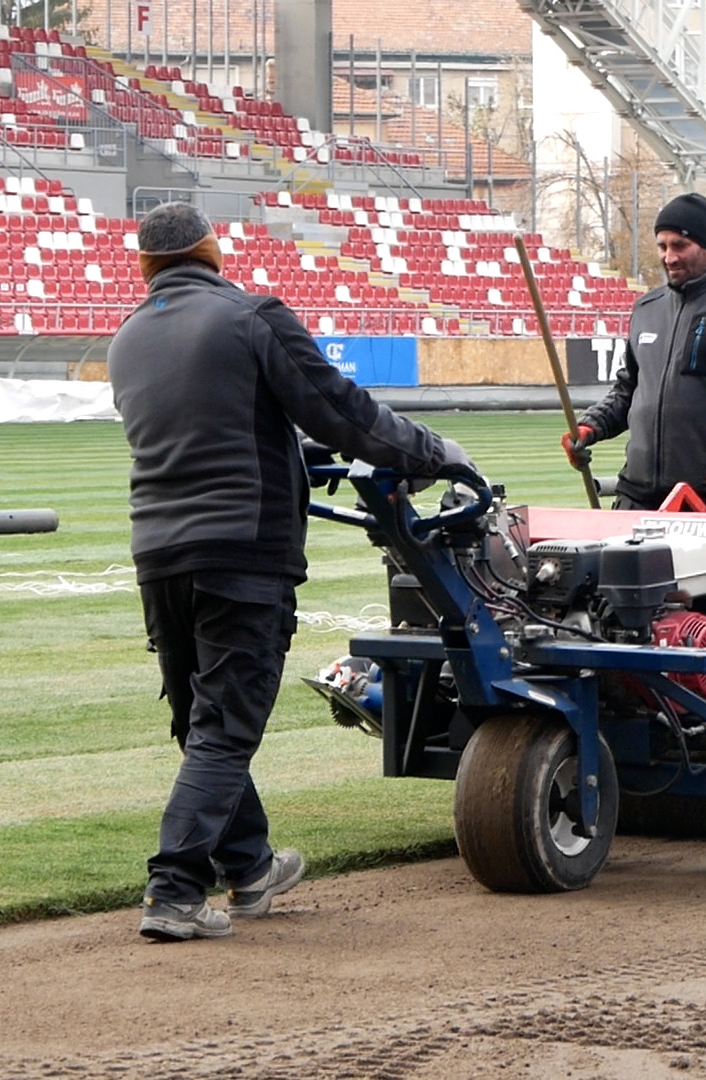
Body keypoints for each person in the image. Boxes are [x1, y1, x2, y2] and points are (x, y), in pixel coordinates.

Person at [108, 202, 473, 942]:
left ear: (145, 265)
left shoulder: (126, 338)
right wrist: (436, 454)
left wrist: (290, 456)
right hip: (242, 551)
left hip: (159, 555)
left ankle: (249, 867)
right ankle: (174, 889)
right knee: (224, 728)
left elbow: (206, 430)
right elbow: (346, 416)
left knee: (198, 720)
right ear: (212, 251)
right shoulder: (251, 316)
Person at [561, 192, 706, 511]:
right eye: (662, 246)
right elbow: (628, 391)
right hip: (635, 497)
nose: (669, 257)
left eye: (680, 245)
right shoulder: (646, 308)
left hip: (702, 500)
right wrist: (588, 427)